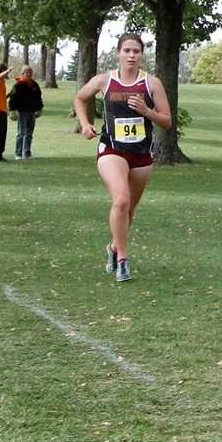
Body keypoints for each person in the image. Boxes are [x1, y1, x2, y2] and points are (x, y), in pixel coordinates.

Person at [75, 34, 173, 282]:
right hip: (112, 149)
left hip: (141, 154)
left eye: (136, 51)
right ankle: (123, 259)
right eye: (127, 50)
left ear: (142, 54)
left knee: (128, 210)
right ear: (118, 52)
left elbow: (167, 121)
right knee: (120, 201)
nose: (132, 55)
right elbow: (80, 98)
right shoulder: (105, 80)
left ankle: (112, 247)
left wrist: (146, 111)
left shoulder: (151, 83)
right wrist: (85, 124)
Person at [9, 66, 43, 159]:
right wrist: (12, 111)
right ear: (23, 74)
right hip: (22, 111)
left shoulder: (35, 85)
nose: (28, 74)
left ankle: (27, 153)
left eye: (30, 72)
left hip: (32, 112)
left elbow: (38, 97)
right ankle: (18, 154)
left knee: (29, 134)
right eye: (26, 73)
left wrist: (40, 109)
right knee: (21, 133)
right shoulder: (18, 85)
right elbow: (13, 99)